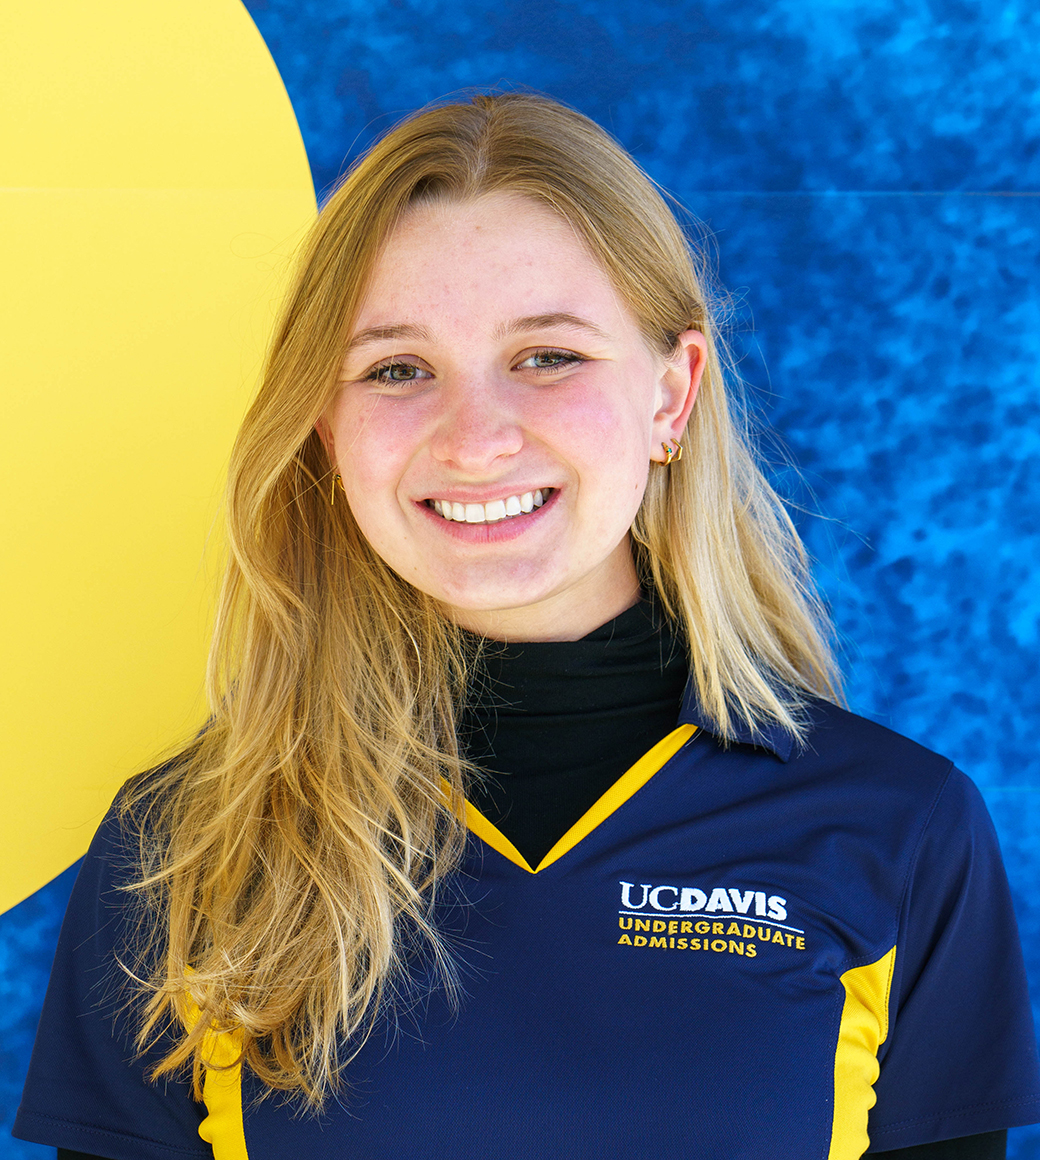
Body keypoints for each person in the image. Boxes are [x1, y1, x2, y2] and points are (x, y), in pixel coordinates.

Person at [14, 93, 1040, 1160]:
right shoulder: (186, 847)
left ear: (670, 395)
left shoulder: (897, 826)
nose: (474, 439)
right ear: (326, 423)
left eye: (546, 356)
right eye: (396, 369)